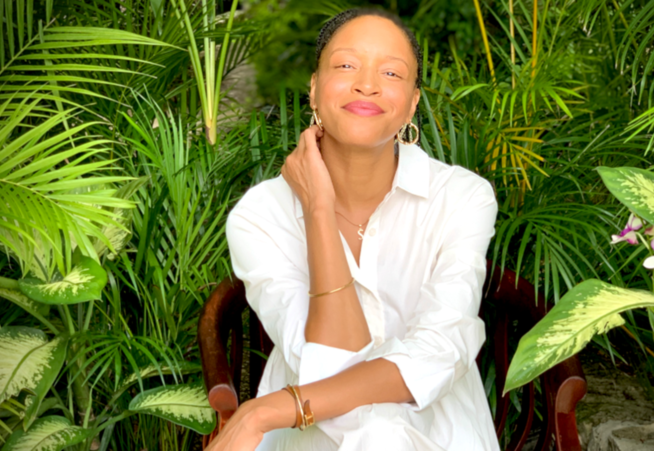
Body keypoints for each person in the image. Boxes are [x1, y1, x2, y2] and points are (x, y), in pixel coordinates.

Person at [214, 7, 499, 451]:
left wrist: (264, 411)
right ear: (314, 89)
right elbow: (327, 364)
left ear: (412, 104)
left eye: (391, 72)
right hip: (313, 436)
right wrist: (318, 210)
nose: (367, 84)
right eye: (347, 66)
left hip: (436, 429)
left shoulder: (462, 198)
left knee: (384, 435)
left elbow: (440, 349)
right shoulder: (260, 215)